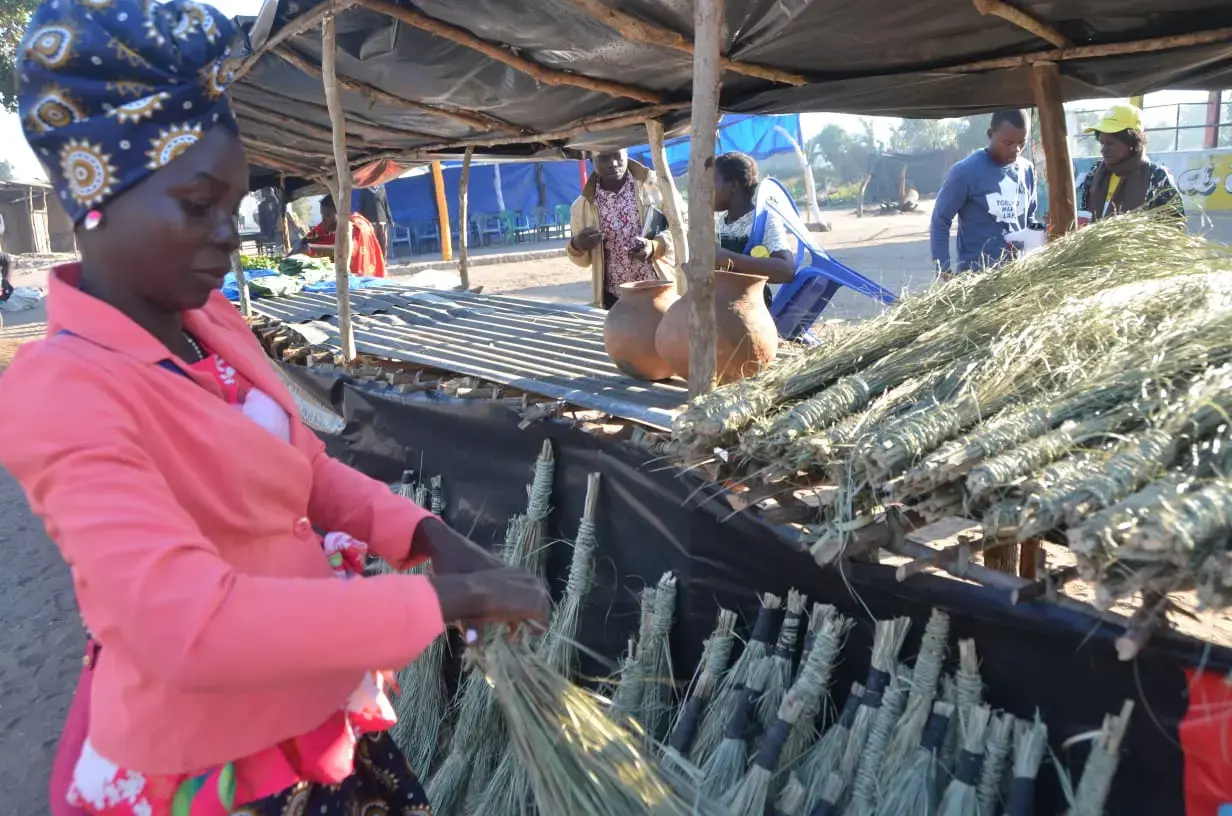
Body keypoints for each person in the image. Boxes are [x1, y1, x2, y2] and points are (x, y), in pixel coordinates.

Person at [6, 2, 548, 814]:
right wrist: (442, 601)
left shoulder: (212, 326)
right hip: (214, 770)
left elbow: (307, 472)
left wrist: (428, 537)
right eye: (198, 204)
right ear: (95, 197)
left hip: (320, 719)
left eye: (237, 204)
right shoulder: (62, 390)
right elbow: (185, 627)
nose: (230, 234)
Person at [930, 110, 1040, 276]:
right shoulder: (965, 172)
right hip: (977, 280)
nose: (1016, 149)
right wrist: (943, 270)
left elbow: (1029, 219)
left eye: (1021, 143)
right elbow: (940, 220)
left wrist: (1044, 234)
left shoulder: (1027, 170)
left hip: (1019, 277)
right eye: (1008, 142)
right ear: (990, 134)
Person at [567, 149, 677, 309]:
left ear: (626, 151)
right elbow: (582, 261)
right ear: (591, 159)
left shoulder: (655, 185)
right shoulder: (582, 206)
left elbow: (683, 225)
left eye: (616, 154)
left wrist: (655, 246)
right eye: (603, 157)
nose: (612, 163)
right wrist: (577, 245)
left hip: (659, 291)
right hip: (614, 299)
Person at [712, 152, 796, 309]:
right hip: (722, 308)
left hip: (753, 311)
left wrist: (727, 257)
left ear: (734, 186)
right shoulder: (721, 222)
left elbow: (786, 270)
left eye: (712, 182)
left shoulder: (763, 220)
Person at [1077, 103, 1184, 223]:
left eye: (1110, 143)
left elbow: (1175, 224)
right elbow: (1085, 213)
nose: (1103, 149)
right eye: (1101, 143)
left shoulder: (1157, 177)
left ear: (1132, 143)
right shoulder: (1095, 172)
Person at [298, 195, 387, 277]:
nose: (323, 220)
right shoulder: (332, 223)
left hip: (364, 279)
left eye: (327, 215)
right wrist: (302, 244)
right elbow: (309, 238)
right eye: (322, 215)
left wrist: (310, 248)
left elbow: (346, 249)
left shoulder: (356, 226)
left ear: (340, 213)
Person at [357, 184, 393, 257]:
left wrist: (390, 219)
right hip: (370, 221)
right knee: (373, 242)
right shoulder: (364, 190)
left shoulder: (382, 189)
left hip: (382, 220)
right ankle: (375, 261)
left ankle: (384, 260)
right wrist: (362, 220)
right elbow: (362, 206)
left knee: (383, 242)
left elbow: (386, 204)